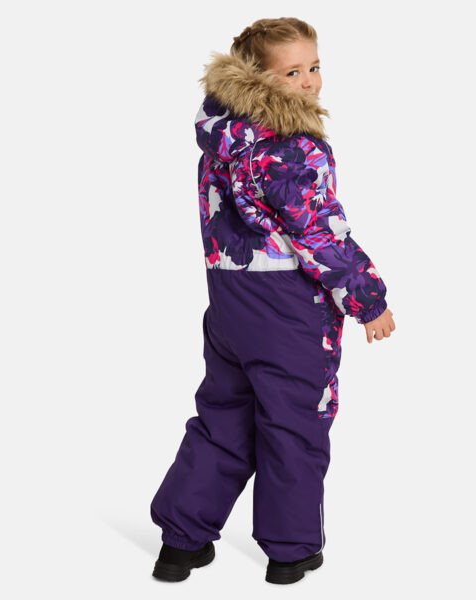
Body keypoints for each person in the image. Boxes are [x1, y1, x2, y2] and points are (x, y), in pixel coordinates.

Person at [149, 17, 396, 585]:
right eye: (292, 72)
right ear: (258, 78)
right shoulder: (291, 146)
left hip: (230, 297)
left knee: (224, 415)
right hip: (288, 305)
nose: (308, 81)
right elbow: (320, 234)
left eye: (314, 67)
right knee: (293, 423)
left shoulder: (221, 138)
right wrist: (368, 300)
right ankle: (290, 552)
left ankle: (180, 544)